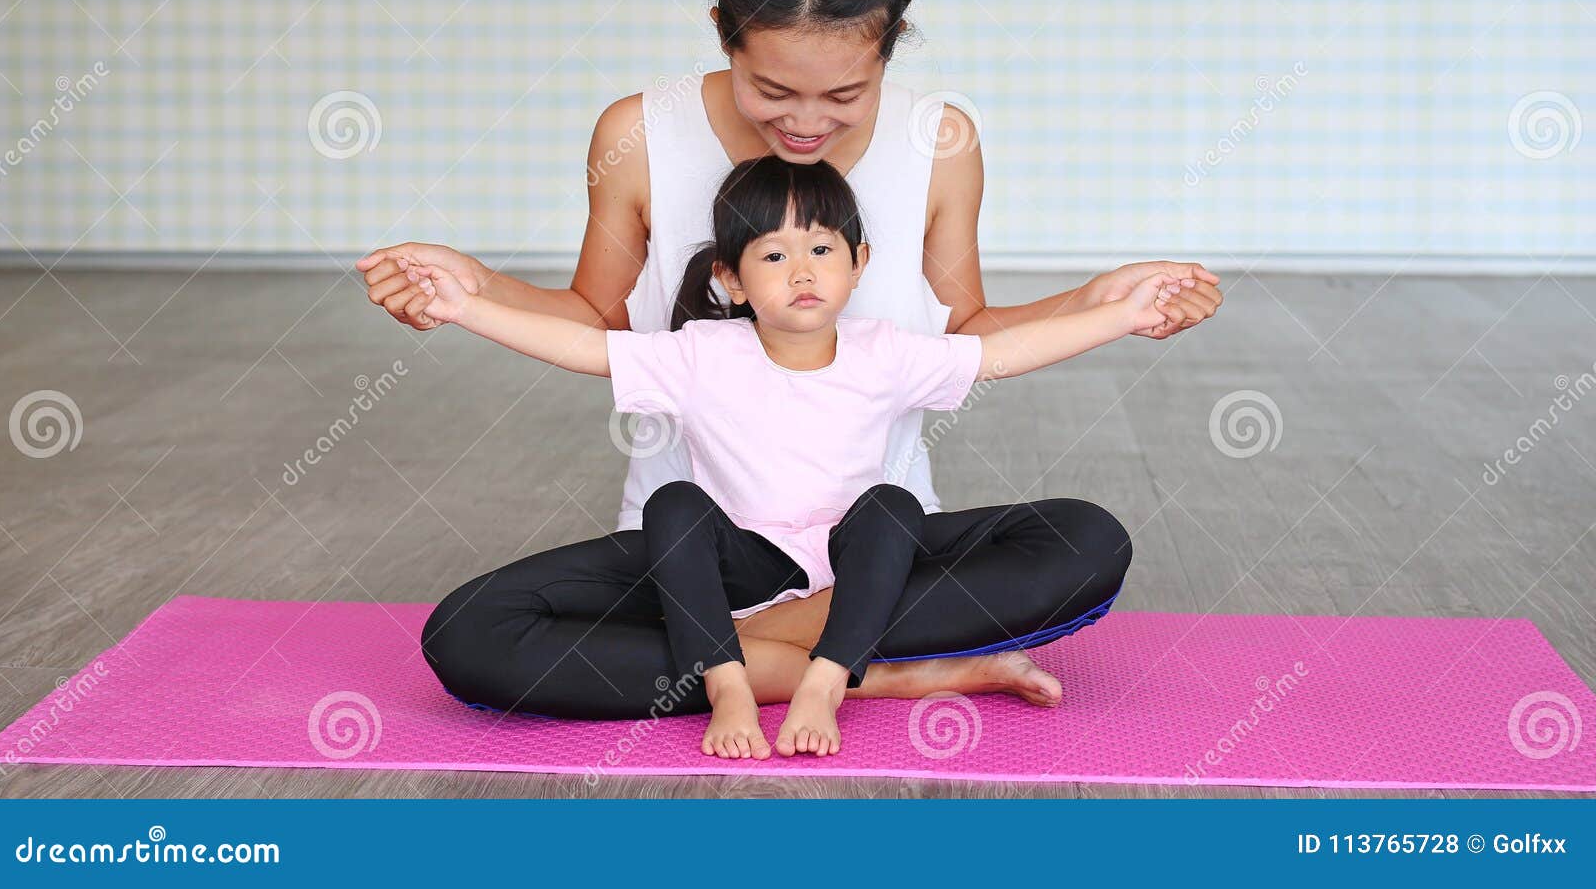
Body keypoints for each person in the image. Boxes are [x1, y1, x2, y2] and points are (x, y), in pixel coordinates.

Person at [357, 0, 1222, 721]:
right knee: (471, 634)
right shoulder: (637, 131)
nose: (807, 123)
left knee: (1083, 544)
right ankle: (869, 671)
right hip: (692, 554)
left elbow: (967, 332)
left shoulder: (941, 140)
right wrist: (472, 286)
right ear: (722, 33)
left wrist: (1098, 300)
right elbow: (594, 314)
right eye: (772, 88)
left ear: (892, 48)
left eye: (845, 95)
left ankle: (715, 659)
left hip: (873, 559)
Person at [408, 155, 1179, 758]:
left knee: (954, 517)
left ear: (859, 260)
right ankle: (762, 679)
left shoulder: (888, 351)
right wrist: (463, 305)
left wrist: (1121, 314)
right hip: (725, 573)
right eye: (773, 256)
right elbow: (580, 346)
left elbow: (1003, 353)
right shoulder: (700, 351)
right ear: (731, 280)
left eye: (820, 248)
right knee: (480, 624)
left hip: (859, 565)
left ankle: (820, 673)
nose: (804, 271)